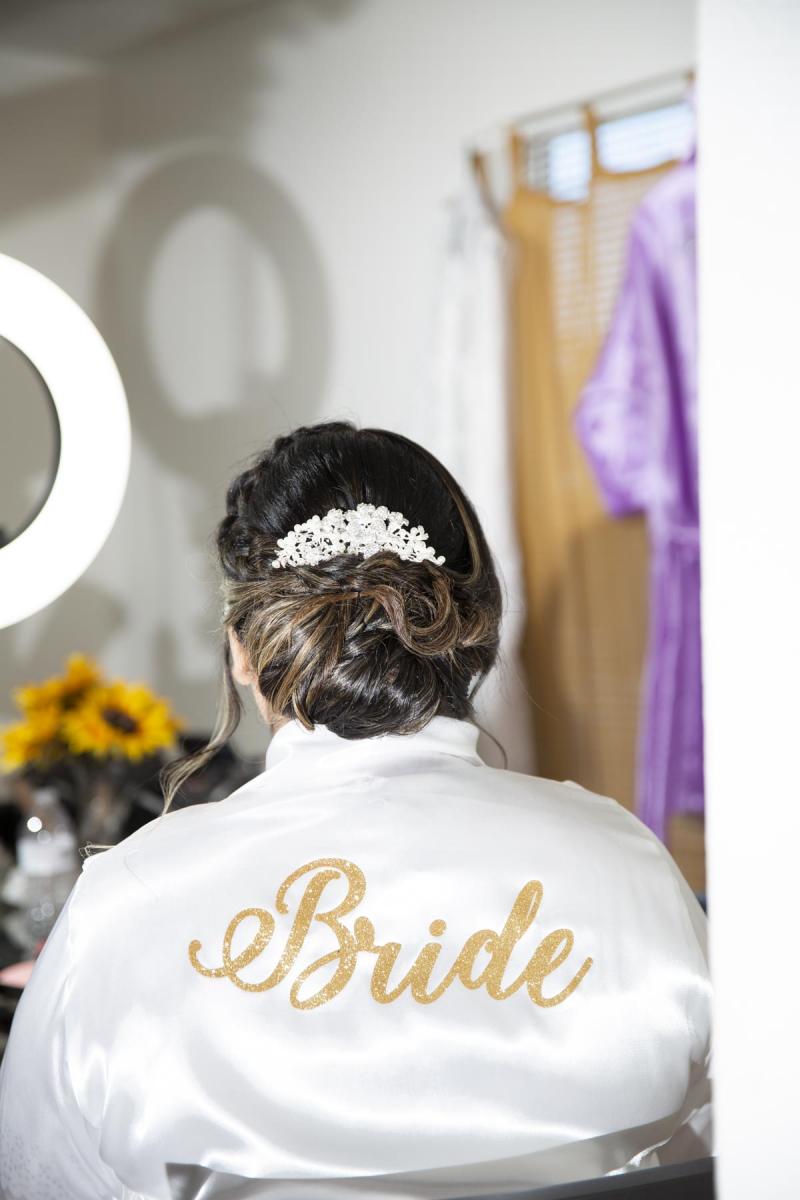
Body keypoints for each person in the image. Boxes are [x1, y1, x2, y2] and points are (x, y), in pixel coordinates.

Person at [0, 422, 712, 1199]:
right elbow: (743, 1150)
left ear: (241, 651)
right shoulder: (628, 865)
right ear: (475, 632)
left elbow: (34, 1179)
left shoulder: (125, 909)